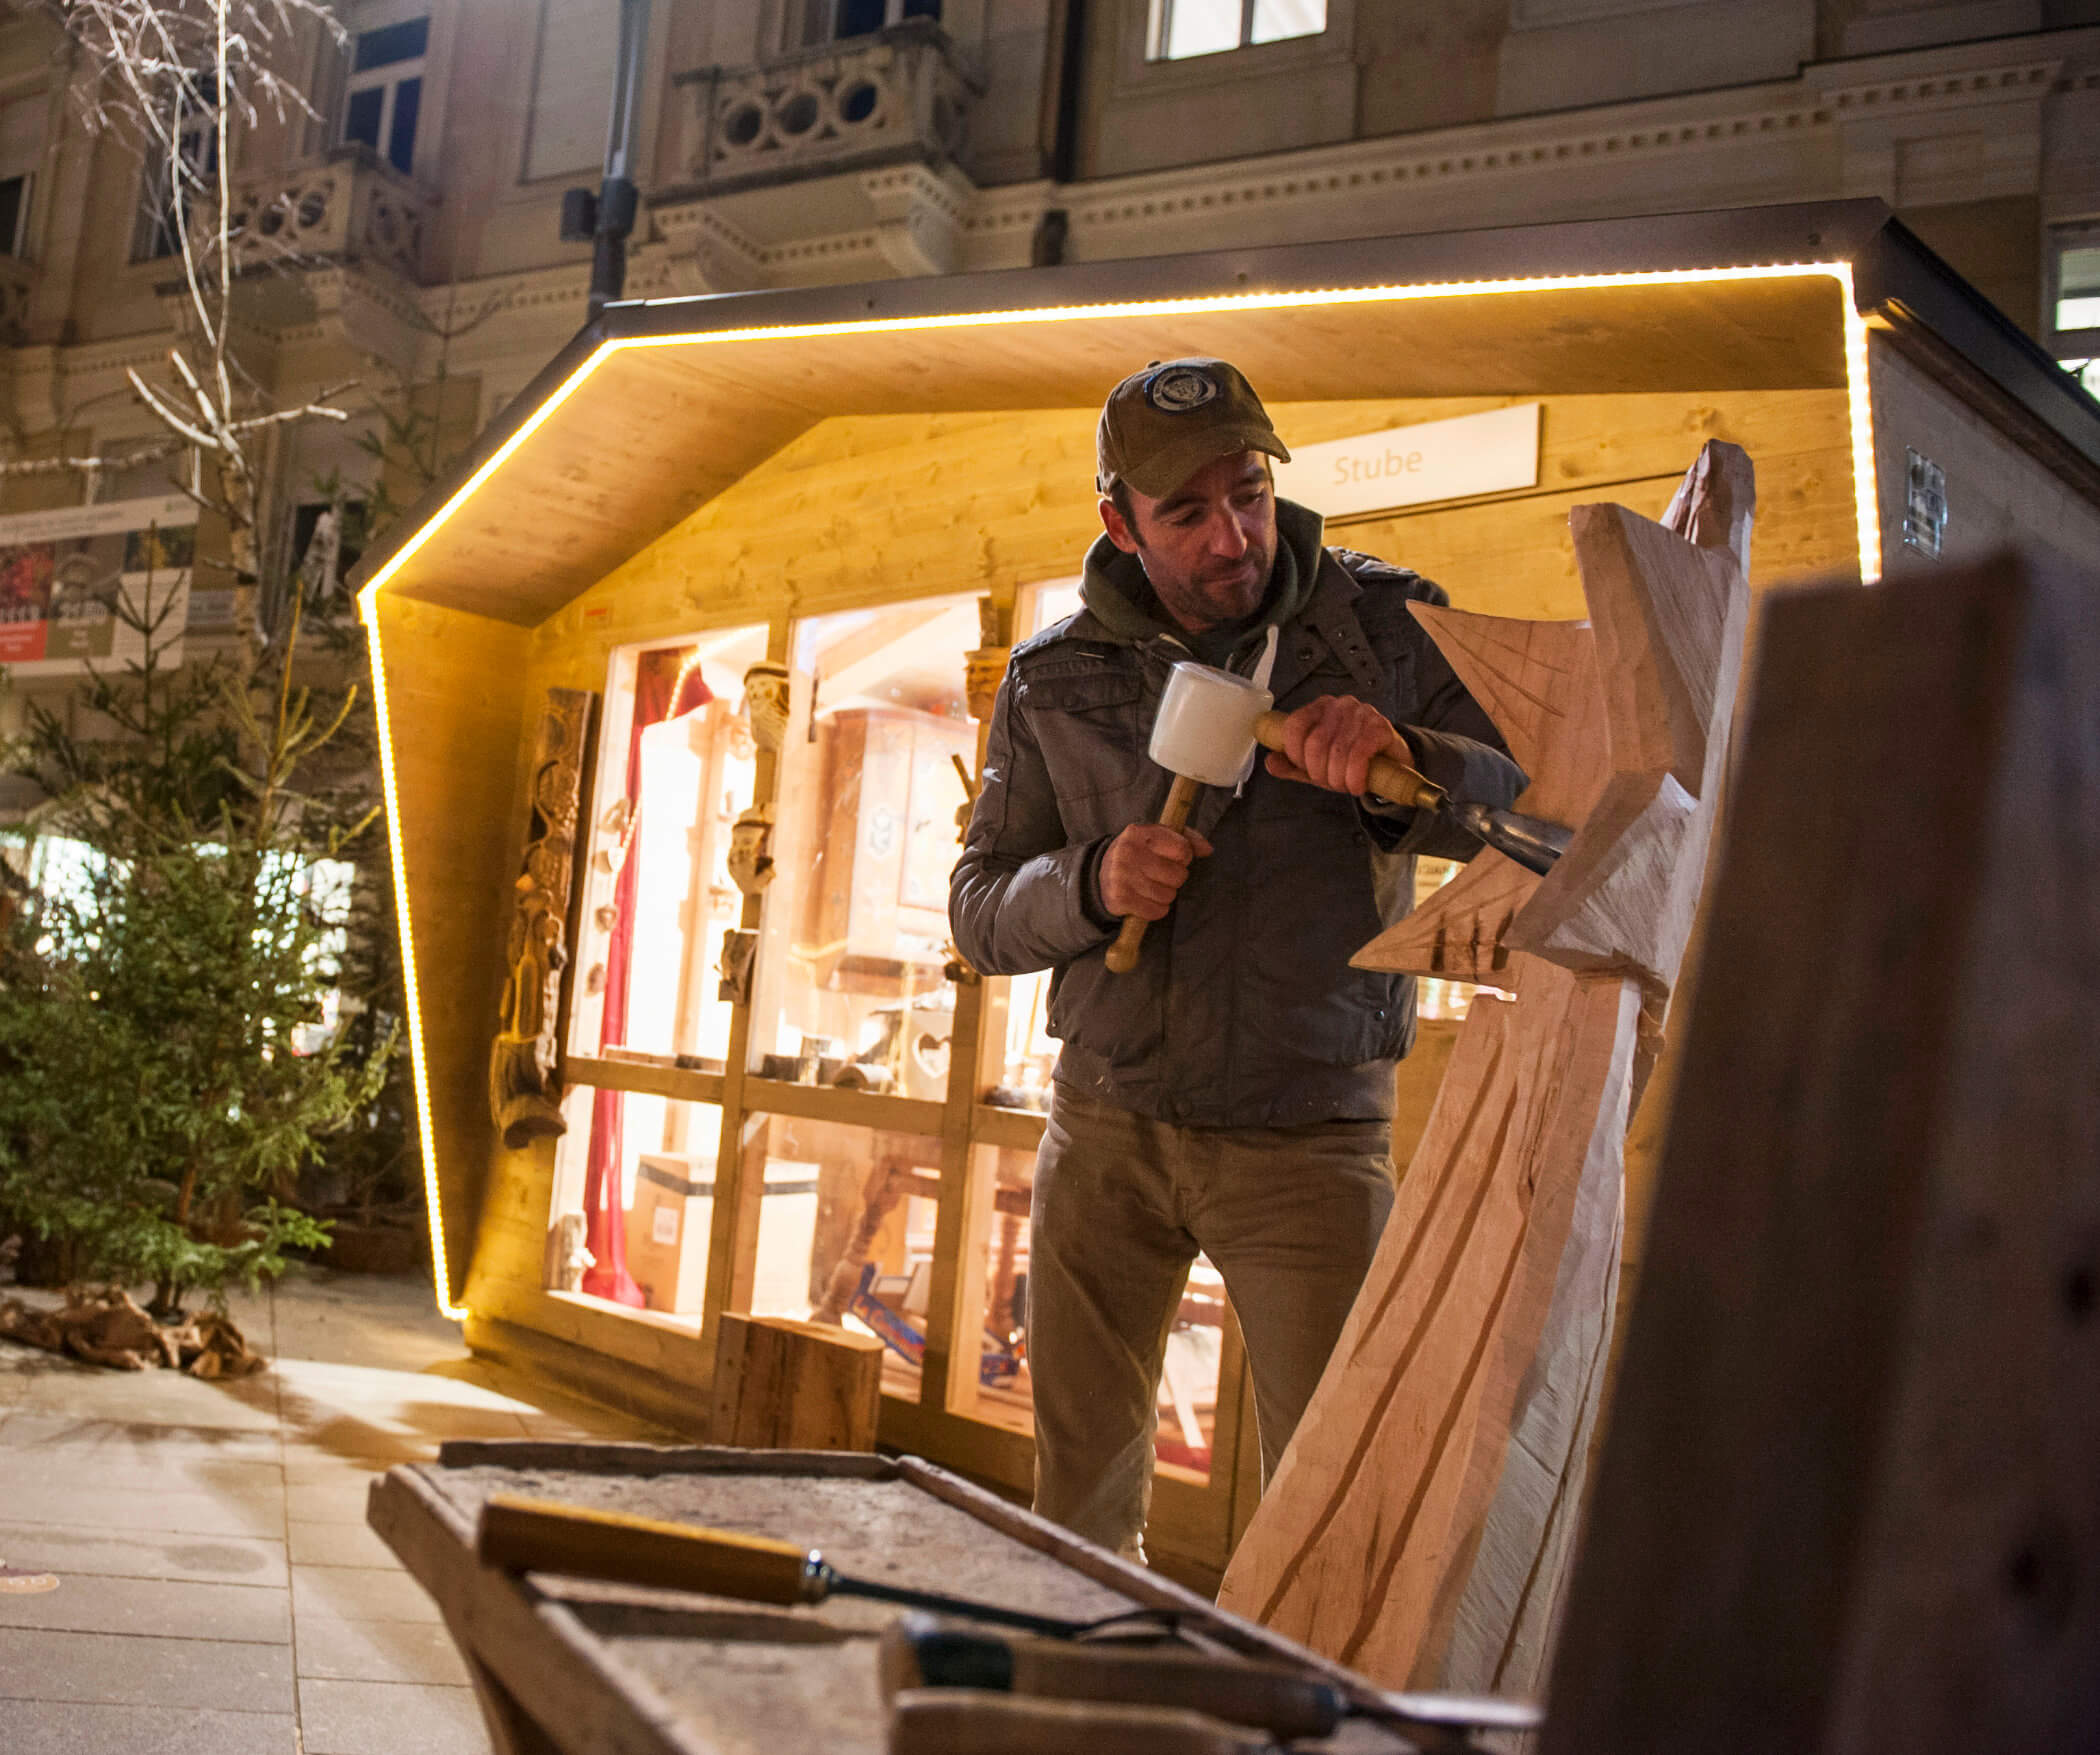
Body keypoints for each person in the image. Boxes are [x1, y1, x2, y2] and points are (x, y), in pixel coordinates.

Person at [949, 357, 1526, 1559]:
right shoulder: (1057, 676)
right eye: (1188, 513)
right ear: (1119, 523)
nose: (1234, 537)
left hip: (1309, 1142)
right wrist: (1092, 881)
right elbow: (976, 910)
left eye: (1251, 494)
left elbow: (1524, 814)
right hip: (1105, 1128)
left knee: (1331, 1509)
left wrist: (1404, 752)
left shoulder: (1386, 631)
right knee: (1079, 1513)